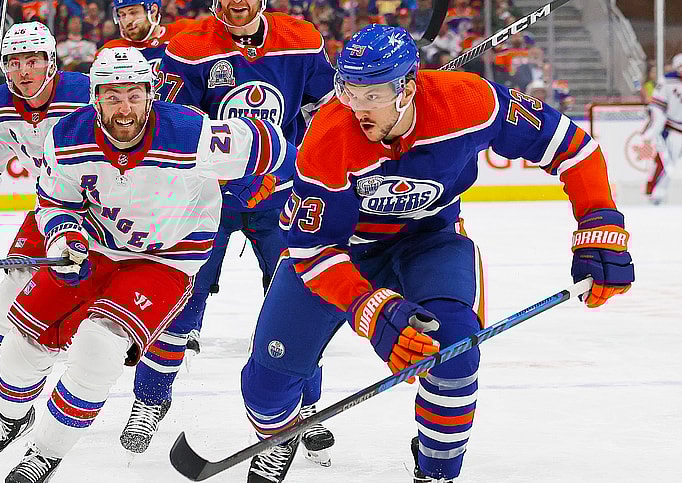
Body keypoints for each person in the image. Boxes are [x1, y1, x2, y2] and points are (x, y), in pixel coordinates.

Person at [239, 25, 635, 483]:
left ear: (406, 87)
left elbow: (572, 146)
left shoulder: (470, 102)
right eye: (349, 90)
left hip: (429, 241)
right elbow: (310, 248)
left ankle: (435, 471)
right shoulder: (328, 138)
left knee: (455, 358)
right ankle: (283, 434)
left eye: (373, 94)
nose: (357, 107)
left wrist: (599, 220)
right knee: (265, 388)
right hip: (340, 252)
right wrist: (369, 309)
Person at [0, 46, 296, 483]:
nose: (124, 108)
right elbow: (52, 200)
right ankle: (10, 417)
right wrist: (65, 235)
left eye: (134, 95)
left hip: (167, 258)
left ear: (150, 94)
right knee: (23, 341)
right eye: (113, 96)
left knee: (100, 347)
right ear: (95, 97)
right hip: (98, 246)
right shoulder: (67, 135)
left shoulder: (190, 134)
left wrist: (264, 183)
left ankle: (45, 451)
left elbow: (277, 148)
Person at [119, 0, 338, 466]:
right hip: (207, 198)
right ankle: (150, 400)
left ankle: (307, 404)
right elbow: (173, 128)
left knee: (300, 298)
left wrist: (286, 166)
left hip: (282, 196)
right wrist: (234, 176)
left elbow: (329, 114)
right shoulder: (189, 48)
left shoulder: (302, 40)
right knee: (180, 296)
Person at [0, 21, 91, 438]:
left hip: (114, 211)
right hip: (53, 206)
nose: (23, 71)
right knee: (8, 294)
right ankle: (3, 391)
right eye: (13, 62)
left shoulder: (86, 93)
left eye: (33, 60)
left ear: (52, 63)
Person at [99, 0, 196, 75]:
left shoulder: (186, 30)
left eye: (133, 13)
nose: (127, 21)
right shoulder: (110, 50)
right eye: (122, 15)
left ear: (153, 11)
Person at [642, 53, 682, 205]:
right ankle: (655, 194)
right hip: (672, 130)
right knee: (667, 164)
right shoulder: (667, 80)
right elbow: (657, 107)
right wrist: (654, 130)